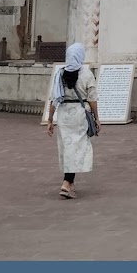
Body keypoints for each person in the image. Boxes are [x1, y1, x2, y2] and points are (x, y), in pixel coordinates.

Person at [46, 43, 98, 200]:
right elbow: (92, 98)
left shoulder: (60, 74)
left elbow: (54, 98)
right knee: (77, 148)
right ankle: (67, 182)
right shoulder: (86, 74)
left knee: (68, 148)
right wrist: (97, 118)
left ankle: (69, 182)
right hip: (80, 115)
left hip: (64, 115)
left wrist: (50, 120)